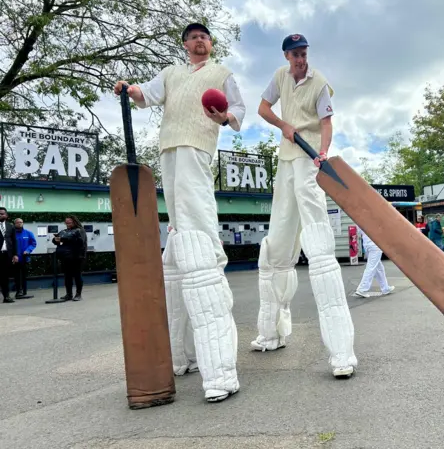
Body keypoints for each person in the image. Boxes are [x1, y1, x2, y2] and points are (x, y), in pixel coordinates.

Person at [114, 22, 247, 403]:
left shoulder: (222, 74)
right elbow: (147, 94)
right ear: (185, 44)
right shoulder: (171, 73)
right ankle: (182, 354)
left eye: (204, 36)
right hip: (170, 146)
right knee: (177, 219)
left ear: (210, 43)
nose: (199, 41)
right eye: (192, 37)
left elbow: (236, 110)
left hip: (197, 145)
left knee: (196, 210)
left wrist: (224, 118)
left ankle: (210, 250)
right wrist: (129, 88)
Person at [250, 33, 357, 379]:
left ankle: (342, 353)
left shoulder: (320, 82)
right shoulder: (280, 78)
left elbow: (327, 122)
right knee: (277, 242)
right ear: (286, 56)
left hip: (310, 158)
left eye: (304, 53)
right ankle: (272, 332)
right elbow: (262, 108)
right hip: (285, 158)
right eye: (295, 54)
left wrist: (323, 154)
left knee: (319, 243)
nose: (300, 59)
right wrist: (283, 125)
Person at [354, 225, 395, 297]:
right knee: (371, 267)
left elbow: (359, 231)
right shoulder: (373, 217)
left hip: (366, 244)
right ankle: (362, 289)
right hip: (375, 244)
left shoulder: (359, 219)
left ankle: (385, 288)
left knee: (379, 268)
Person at [53, 216, 86, 301]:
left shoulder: (80, 230)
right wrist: (56, 239)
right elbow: (56, 241)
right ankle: (69, 294)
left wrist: (63, 239)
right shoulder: (63, 231)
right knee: (67, 276)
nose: (67, 224)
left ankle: (78, 294)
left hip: (77, 257)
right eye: (66, 223)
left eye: (69, 222)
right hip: (65, 257)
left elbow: (79, 242)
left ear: (74, 222)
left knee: (77, 275)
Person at [13, 218, 37, 299]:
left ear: (23, 223)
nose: (19, 224)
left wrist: (28, 250)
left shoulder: (28, 233)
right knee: (16, 276)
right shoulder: (12, 234)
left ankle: (24, 291)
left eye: (21, 222)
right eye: (17, 222)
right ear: (14, 224)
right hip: (15, 258)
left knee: (24, 275)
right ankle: (18, 291)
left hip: (25, 258)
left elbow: (33, 243)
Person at [0, 207, 18, 303]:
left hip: (7, 255)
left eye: (2, 213)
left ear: (6, 215)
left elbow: (14, 241)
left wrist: (15, 254)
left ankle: (6, 296)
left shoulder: (10, 226)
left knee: (5, 277)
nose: (0, 215)